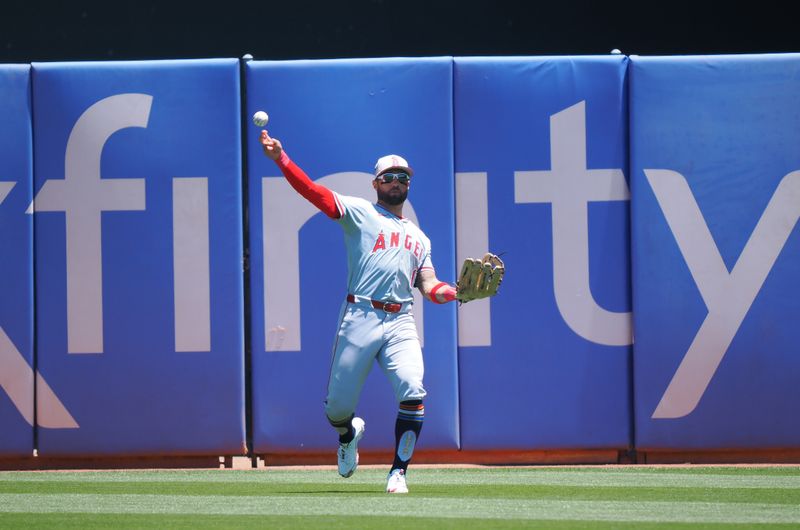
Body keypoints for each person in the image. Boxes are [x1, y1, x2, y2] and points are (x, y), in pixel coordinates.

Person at [260, 130, 459, 494]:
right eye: (390, 177)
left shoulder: (420, 238)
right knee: (336, 409)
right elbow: (312, 192)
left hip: (401, 319)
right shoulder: (360, 212)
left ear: (409, 184)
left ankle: (398, 472)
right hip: (361, 316)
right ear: (376, 183)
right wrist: (281, 159)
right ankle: (348, 433)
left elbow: (429, 286)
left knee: (413, 388)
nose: (397, 182)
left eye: (404, 177)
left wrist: (458, 292)